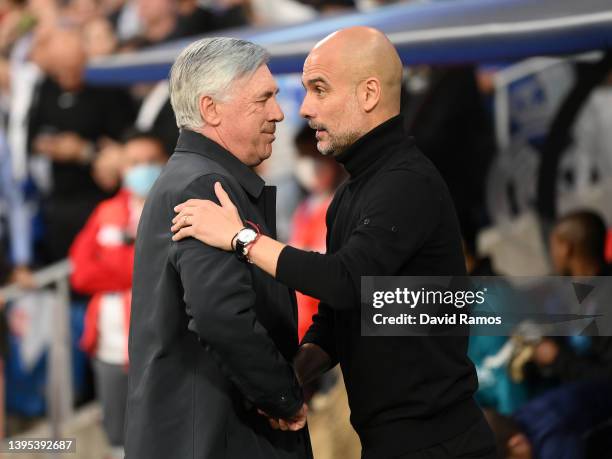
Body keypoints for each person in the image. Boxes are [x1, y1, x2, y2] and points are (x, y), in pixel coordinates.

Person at [171, 27, 496, 458]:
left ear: (369, 94)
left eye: (319, 89)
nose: (303, 109)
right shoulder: (350, 192)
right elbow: (338, 317)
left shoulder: (407, 183)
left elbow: (345, 280)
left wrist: (241, 238)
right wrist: (292, 379)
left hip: (440, 443)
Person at [125, 37, 312, 459]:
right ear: (211, 109)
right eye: (263, 99)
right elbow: (219, 314)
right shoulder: (203, 185)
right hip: (217, 440)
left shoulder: (196, 177)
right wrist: (282, 395)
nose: (279, 113)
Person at [69, 133, 168, 459]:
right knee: (117, 437)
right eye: (134, 162)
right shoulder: (106, 211)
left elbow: (161, 267)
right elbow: (80, 272)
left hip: (161, 344)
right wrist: (132, 266)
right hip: (109, 345)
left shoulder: (177, 207)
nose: (142, 169)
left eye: (150, 161)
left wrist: (114, 266)